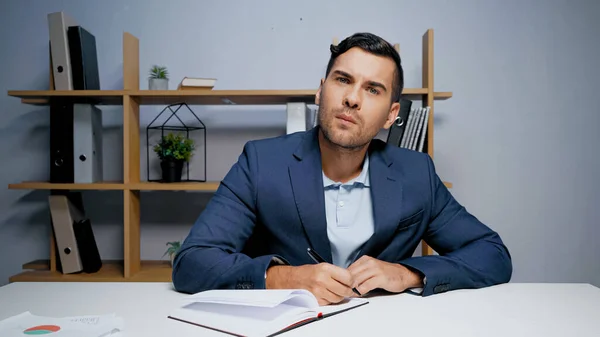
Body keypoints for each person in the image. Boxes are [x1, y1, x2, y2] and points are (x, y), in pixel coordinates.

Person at [172, 32, 512, 305]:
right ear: (321, 91)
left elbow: (492, 254)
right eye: (343, 80)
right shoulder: (260, 163)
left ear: (392, 115)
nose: (352, 98)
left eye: (373, 89)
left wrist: (407, 273)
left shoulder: (417, 173)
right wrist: (285, 278)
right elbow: (192, 262)